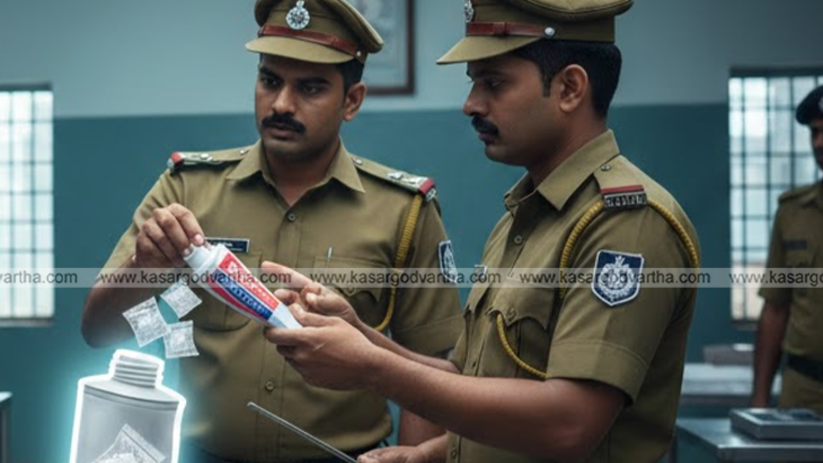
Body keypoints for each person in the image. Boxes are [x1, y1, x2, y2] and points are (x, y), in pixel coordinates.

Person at [264, 0, 701, 462]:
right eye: (474, 83)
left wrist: (373, 368)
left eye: (493, 83)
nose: (471, 104)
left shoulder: (623, 223)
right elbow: (469, 380)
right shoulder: (525, 218)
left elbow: (569, 422)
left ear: (570, 88)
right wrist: (360, 335)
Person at [80, 0, 464, 461]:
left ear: (352, 101)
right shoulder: (188, 190)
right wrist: (144, 265)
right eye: (270, 80)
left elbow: (430, 372)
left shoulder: (403, 211)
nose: (281, 104)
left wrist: (414, 457)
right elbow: (99, 331)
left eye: (310, 87)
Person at [753, 84, 823, 414]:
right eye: (814, 133)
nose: (818, 143)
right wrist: (760, 401)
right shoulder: (793, 212)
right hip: (803, 389)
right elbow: (776, 310)